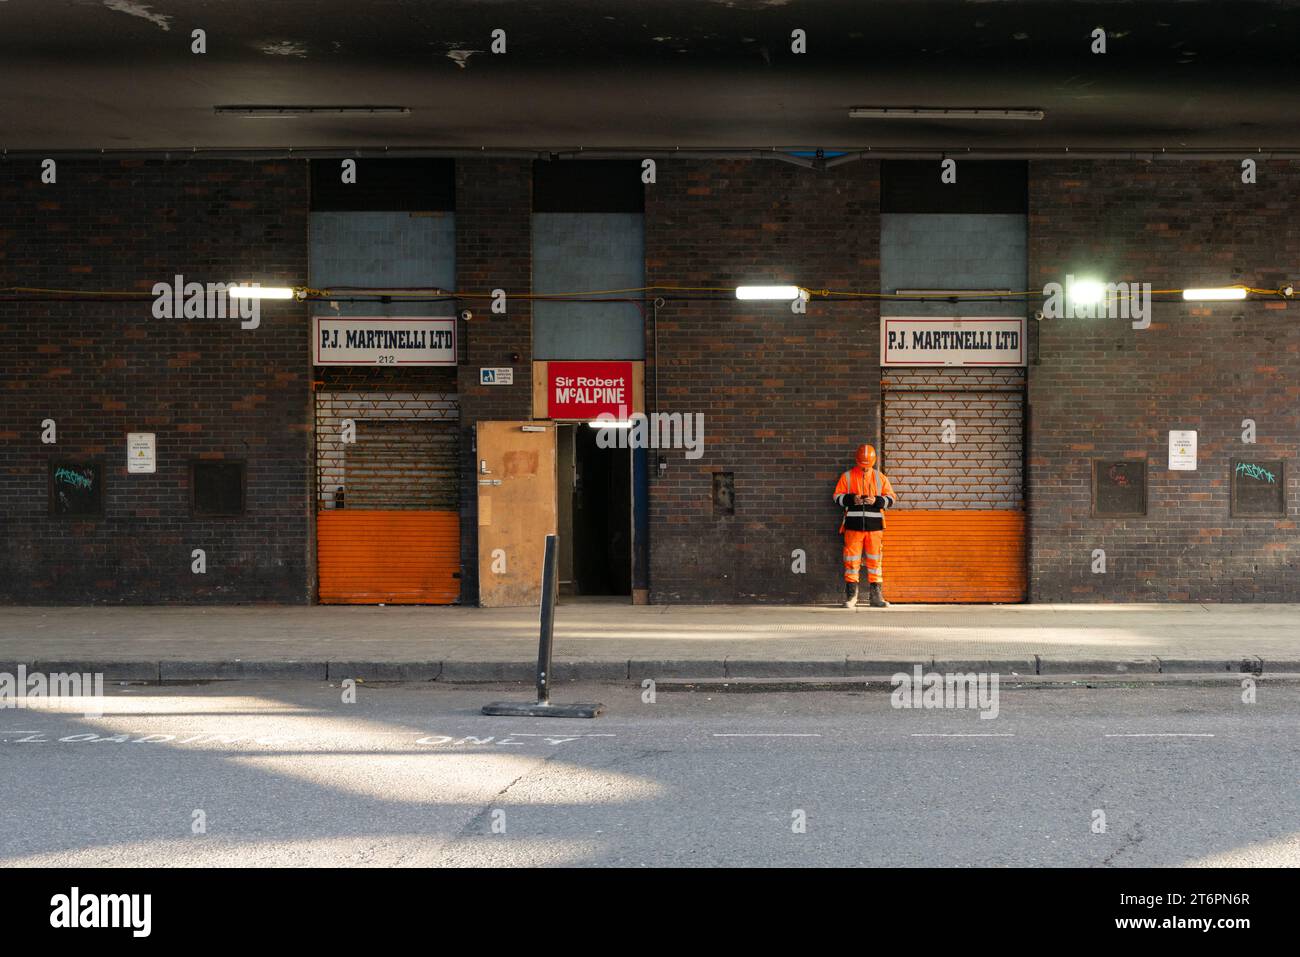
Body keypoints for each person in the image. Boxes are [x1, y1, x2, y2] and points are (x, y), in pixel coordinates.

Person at [832, 444, 896, 609]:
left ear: (873, 462)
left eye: (867, 465)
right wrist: (852, 499)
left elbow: (892, 498)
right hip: (853, 527)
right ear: (857, 461)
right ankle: (852, 596)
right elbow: (837, 497)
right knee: (851, 562)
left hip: (874, 528)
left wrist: (877, 501)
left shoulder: (880, 477)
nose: (865, 468)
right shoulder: (847, 477)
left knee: (875, 562)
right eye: (862, 465)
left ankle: (876, 597)